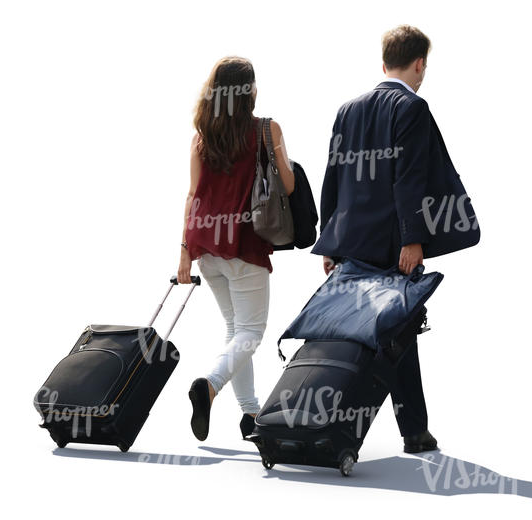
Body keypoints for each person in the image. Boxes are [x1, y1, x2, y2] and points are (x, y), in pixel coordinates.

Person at [311, 25, 441, 453]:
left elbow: (334, 176)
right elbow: (409, 180)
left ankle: (332, 419)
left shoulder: (348, 110)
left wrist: (330, 241)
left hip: (351, 242)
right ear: (418, 62)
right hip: (391, 245)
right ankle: (409, 430)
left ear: (383, 62)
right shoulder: (412, 107)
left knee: (369, 332)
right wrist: (413, 239)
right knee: (396, 330)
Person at [177, 56, 295, 442]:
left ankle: (250, 414)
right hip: (245, 244)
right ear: (249, 91)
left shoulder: (201, 137)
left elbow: (193, 195)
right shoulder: (266, 129)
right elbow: (289, 187)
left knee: (235, 331)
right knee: (252, 332)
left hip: (207, 247)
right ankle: (208, 386)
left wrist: (183, 253)